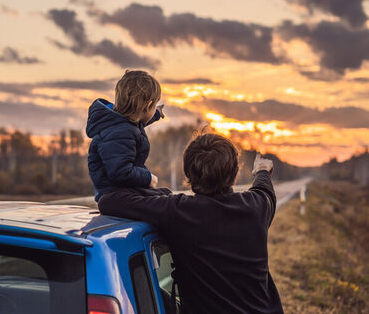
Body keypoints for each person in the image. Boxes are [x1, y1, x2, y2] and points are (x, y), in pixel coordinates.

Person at [98, 133, 284, 314]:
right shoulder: (256, 206)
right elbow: (264, 188)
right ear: (235, 171)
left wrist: (162, 194)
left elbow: (109, 201)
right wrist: (261, 170)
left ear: (188, 172)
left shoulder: (177, 210)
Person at [86, 70, 164, 202]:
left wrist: (156, 114)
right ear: (148, 105)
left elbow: (138, 123)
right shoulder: (120, 131)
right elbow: (120, 171)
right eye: (154, 106)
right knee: (165, 203)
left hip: (122, 191)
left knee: (166, 195)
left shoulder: (121, 124)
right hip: (114, 197)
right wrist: (149, 178)